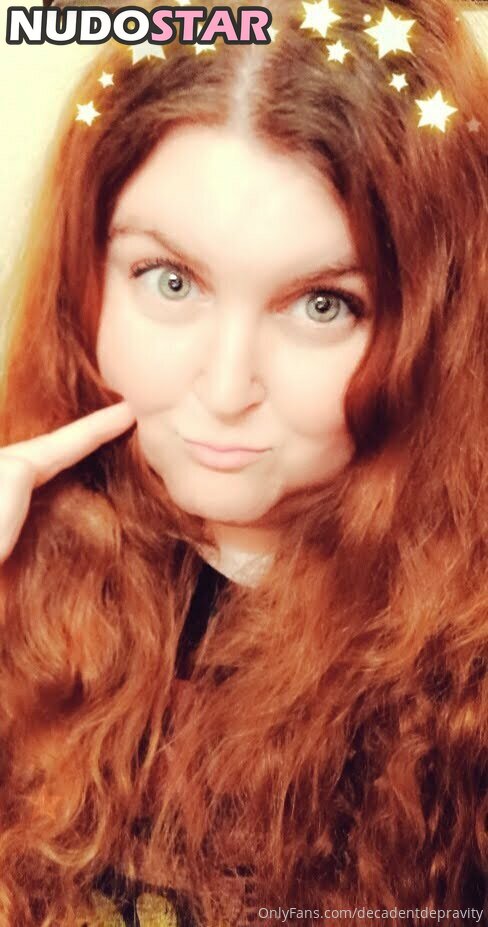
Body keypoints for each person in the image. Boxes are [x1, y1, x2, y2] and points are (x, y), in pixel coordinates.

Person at [0, 0, 486, 923]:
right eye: (170, 280)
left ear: (433, 325)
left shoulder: (463, 676)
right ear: (86, 277)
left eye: (322, 304)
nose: (225, 389)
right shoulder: (27, 557)